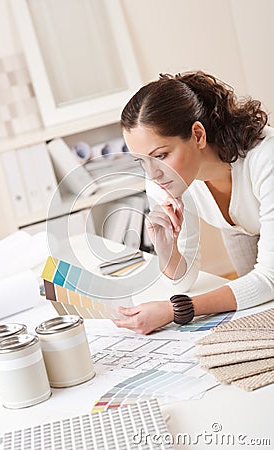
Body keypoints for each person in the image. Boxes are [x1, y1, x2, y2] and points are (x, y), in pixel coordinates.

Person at [113, 70, 274, 335]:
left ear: (198, 135)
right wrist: (166, 248)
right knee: (258, 316)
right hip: (240, 228)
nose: (151, 174)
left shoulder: (265, 158)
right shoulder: (163, 179)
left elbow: (269, 279)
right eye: (142, 161)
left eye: (161, 155)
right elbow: (183, 281)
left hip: (255, 221)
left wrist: (177, 310)